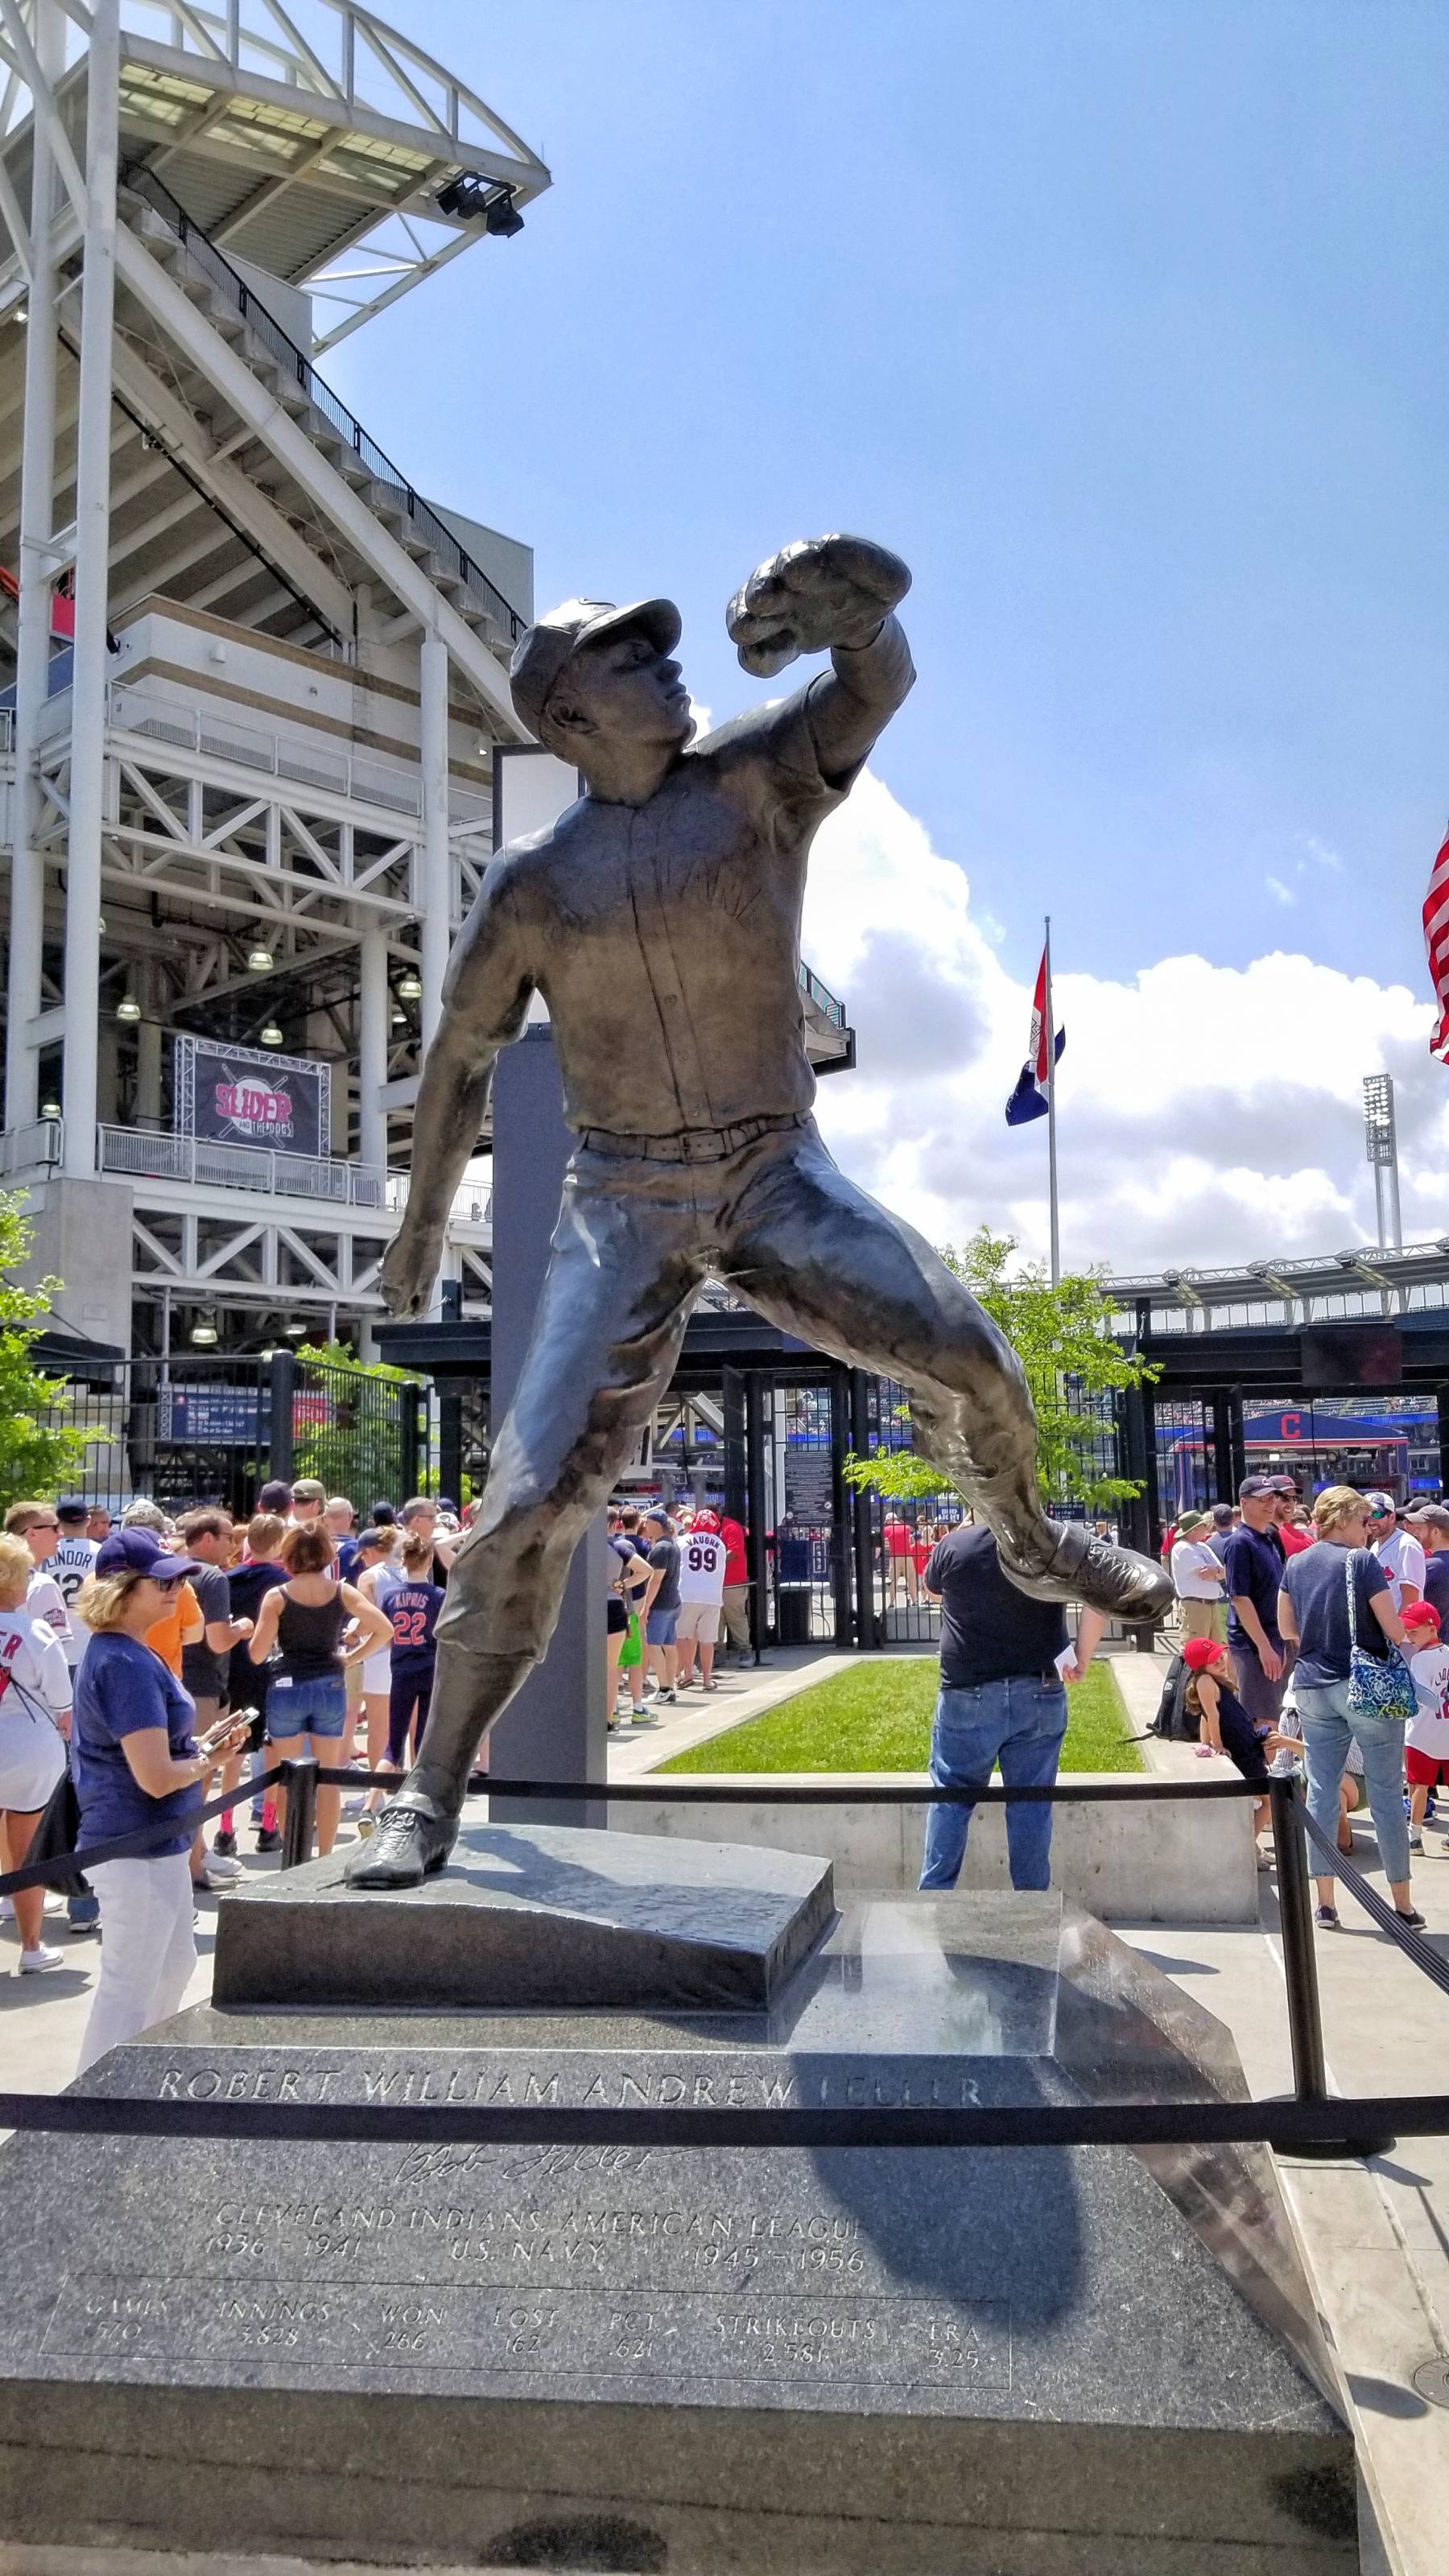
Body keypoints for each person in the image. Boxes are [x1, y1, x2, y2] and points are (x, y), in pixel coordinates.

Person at [353, 535, 1170, 1887]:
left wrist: (844, 609)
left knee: (978, 1363)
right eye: (630, 656)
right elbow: (459, 1062)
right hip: (621, 1201)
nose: (665, 664)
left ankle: (1035, 1542)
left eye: (663, 646)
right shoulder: (532, 888)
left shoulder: (749, 780)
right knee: (520, 1511)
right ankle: (430, 1795)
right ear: (567, 714)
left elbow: (877, 677)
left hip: (775, 1172)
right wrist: (423, 1229)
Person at [72, 1530, 249, 2075]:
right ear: (125, 1588)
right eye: (165, 1579)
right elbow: (152, 1777)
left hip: (154, 1840)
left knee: (170, 1965)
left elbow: (153, 1760)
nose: (178, 1586)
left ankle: (132, 2088)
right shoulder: (123, 1661)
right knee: (131, 1983)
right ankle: (92, 2108)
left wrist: (199, 1750)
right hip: (134, 1841)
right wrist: (207, 1762)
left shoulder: (127, 1653)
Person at [918, 1521, 1104, 1893]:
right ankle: (1033, 1904)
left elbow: (933, 1590)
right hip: (1039, 1685)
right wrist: (1081, 1658)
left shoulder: (955, 1544)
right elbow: (1098, 1598)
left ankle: (934, 1899)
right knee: (1032, 1802)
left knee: (950, 1798)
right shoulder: (1056, 1543)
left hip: (967, 1689)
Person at [1277, 1484, 1422, 1932]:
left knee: (1320, 1791)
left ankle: (1325, 1901)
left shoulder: (1296, 1563)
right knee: (1384, 1795)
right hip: (1365, 1686)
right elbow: (1392, 1625)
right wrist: (1408, 1639)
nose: (1369, 1529)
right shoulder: (1362, 1561)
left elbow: (1287, 1628)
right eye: (1363, 1520)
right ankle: (1402, 1902)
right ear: (1342, 1519)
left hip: (1311, 1686)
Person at [246, 1523, 390, 1858]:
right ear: (326, 1553)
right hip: (330, 1682)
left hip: (287, 1685)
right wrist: (350, 1658)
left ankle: (293, 1856)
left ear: (289, 1553)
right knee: (327, 1778)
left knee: (287, 1776)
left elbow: (256, 1654)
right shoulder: (342, 1592)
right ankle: (324, 1856)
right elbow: (384, 1628)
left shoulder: (277, 1597)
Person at [0, 1531, 72, 1973]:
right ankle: (30, 1947)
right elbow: (62, 1702)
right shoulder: (35, 1630)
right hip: (29, 1748)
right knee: (28, 1850)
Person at [215, 1511, 287, 1857]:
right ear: (277, 1544)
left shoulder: (228, 1578)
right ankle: (269, 1825)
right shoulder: (280, 1581)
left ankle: (226, 1826)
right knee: (270, 1747)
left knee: (233, 1749)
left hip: (234, 1668)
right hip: (270, 1668)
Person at [1183, 1637, 1270, 1849]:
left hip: (1246, 1745)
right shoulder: (1205, 1682)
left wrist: (1205, 1742)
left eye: (1221, 1657)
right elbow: (1211, 1715)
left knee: (1261, 1800)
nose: (1222, 1663)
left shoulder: (1214, 1680)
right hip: (1239, 1750)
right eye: (1215, 1662)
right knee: (1269, 1801)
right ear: (1202, 1668)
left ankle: (1251, 1847)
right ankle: (1247, 1847)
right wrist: (1217, 1744)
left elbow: (1206, 1716)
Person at [1223, 1476, 1290, 1732]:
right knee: (1263, 1719)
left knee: (1274, 1713)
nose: (1270, 1504)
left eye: (1273, 1497)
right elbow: (1240, 1598)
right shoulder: (1240, 1542)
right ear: (1244, 1503)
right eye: (1262, 1498)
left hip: (1274, 1636)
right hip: (1253, 1642)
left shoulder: (1269, 1538)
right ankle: (1262, 1770)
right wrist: (1264, 1646)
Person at [353, 1525, 404, 1826]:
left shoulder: (369, 1576)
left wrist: (350, 1636)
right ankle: (403, 1788)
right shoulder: (411, 1570)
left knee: (378, 1729)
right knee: (410, 1727)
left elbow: (366, 1619)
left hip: (378, 1654)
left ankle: (377, 1792)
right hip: (411, 1654)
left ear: (371, 1551)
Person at [383, 1533, 446, 1777]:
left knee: (393, 1744)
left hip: (401, 1670)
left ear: (403, 1560)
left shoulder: (390, 1596)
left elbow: (388, 1636)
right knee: (424, 1739)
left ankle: (372, 1800)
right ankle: (419, 1791)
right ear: (429, 1560)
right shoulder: (438, 1596)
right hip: (430, 1668)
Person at [1401, 1600, 1449, 1853]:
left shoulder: (1420, 1660)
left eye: (1414, 1631)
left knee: (1418, 1786)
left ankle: (1415, 1836)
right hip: (1445, 1731)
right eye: (1407, 1632)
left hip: (1421, 1734)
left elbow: (1419, 1695)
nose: (1410, 1637)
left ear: (1432, 1628)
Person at [675, 1507, 728, 1690]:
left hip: (686, 1593)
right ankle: (706, 1679)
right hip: (711, 1596)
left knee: (682, 1635)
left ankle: (687, 1673)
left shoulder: (683, 1541)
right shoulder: (719, 1544)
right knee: (707, 1640)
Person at [641, 1507, 682, 1707]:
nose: (645, 1526)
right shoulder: (671, 1545)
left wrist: (646, 1607)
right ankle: (670, 1686)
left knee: (653, 1646)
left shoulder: (660, 1549)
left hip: (661, 1604)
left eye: (647, 1523)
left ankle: (664, 1688)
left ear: (656, 1525)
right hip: (673, 1601)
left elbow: (655, 1580)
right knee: (669, 1645)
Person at [1169, 1510, 1228, 1644]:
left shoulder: (1203, 1547)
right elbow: (1204, 1574)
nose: (1207, 1528)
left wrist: (1215, 1571)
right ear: (1194, 1529)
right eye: (1204, 1526)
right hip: (1195, 1605)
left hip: (1212, 1604)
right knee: (1196, 1649)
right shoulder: (1182, 1547)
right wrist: (1216, 1572)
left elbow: (1223, 1573)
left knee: (1215, 1651)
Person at [1367, 1492, 1424, 1613]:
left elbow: (1410, 1600)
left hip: (1401, 1628)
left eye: (1376, 1514)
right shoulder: (1375, 1546)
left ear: (1392, 1517)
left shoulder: (1406, 1545)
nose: (1370, 1521)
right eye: (1366, 1515)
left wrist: (1398, 1631)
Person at [719, 1511, 750, 1663]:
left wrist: (713, 1563)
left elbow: (734, 1552)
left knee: (736, 1616)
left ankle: (745, 1650)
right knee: (715, 1619)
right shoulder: (706, 1528)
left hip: (733, 1581)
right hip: (714, 1582)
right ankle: (717, 1652)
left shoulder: (731, 1527)